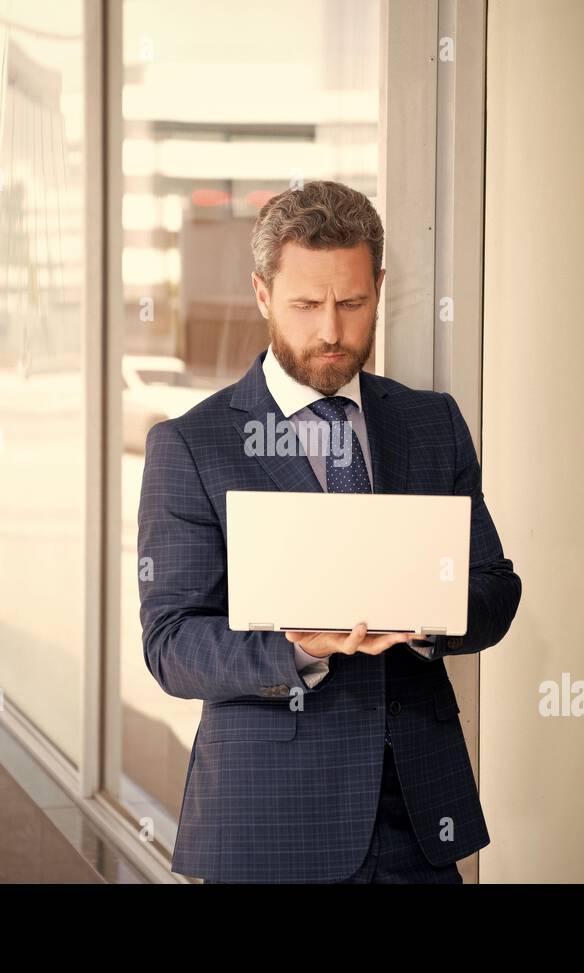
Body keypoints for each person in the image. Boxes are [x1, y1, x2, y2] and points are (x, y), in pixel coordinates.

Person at [137, 179, 521, 884]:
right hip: (272, 823)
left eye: (351, 303)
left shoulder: (432, 423)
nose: (332, 333)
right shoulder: (192, 445)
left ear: (378, 286)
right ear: (262, 295)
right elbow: (170, 646)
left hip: (419, 819)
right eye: (306, 305)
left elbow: (496, 588)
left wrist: (426, 618)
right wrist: (298, 648)